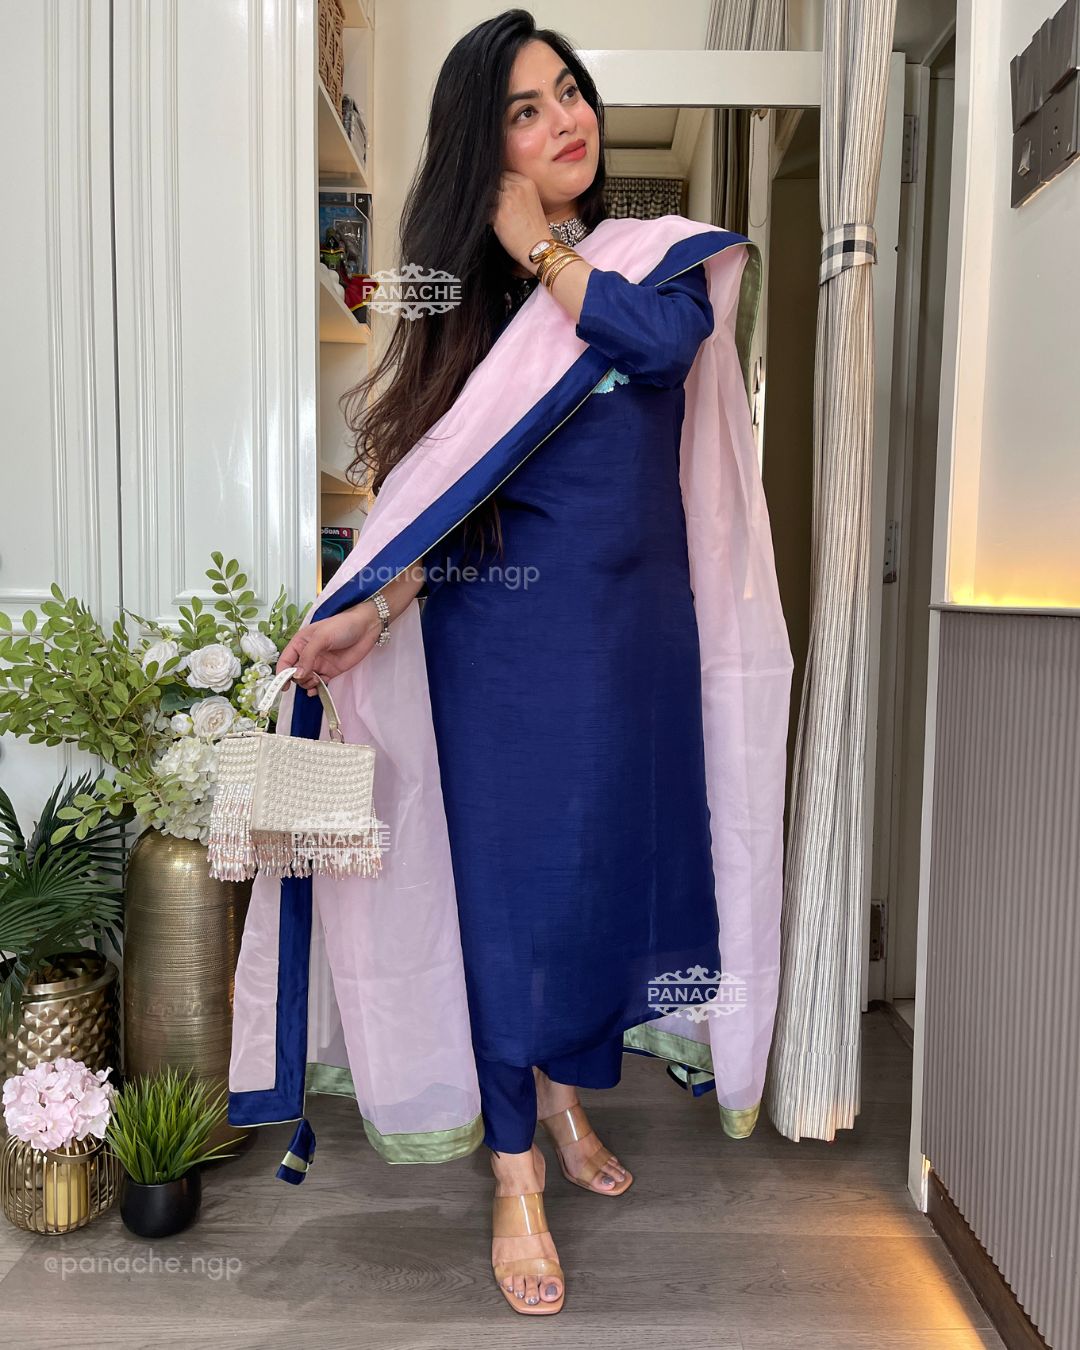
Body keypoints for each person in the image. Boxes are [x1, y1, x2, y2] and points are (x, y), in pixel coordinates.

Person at [228, 7, 792, 1320]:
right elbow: (445, 517)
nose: (565, 119)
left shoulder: (655, 263)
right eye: (525, 111)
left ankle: (564, 1095)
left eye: (569, 91)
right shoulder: (473, 321)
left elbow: (660, 349)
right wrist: (370, 613)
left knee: (603, 887)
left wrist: (539, 242)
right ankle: (515, 1167)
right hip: (505, 660)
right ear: (485, 154)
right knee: (510, 904)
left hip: (638, 649)